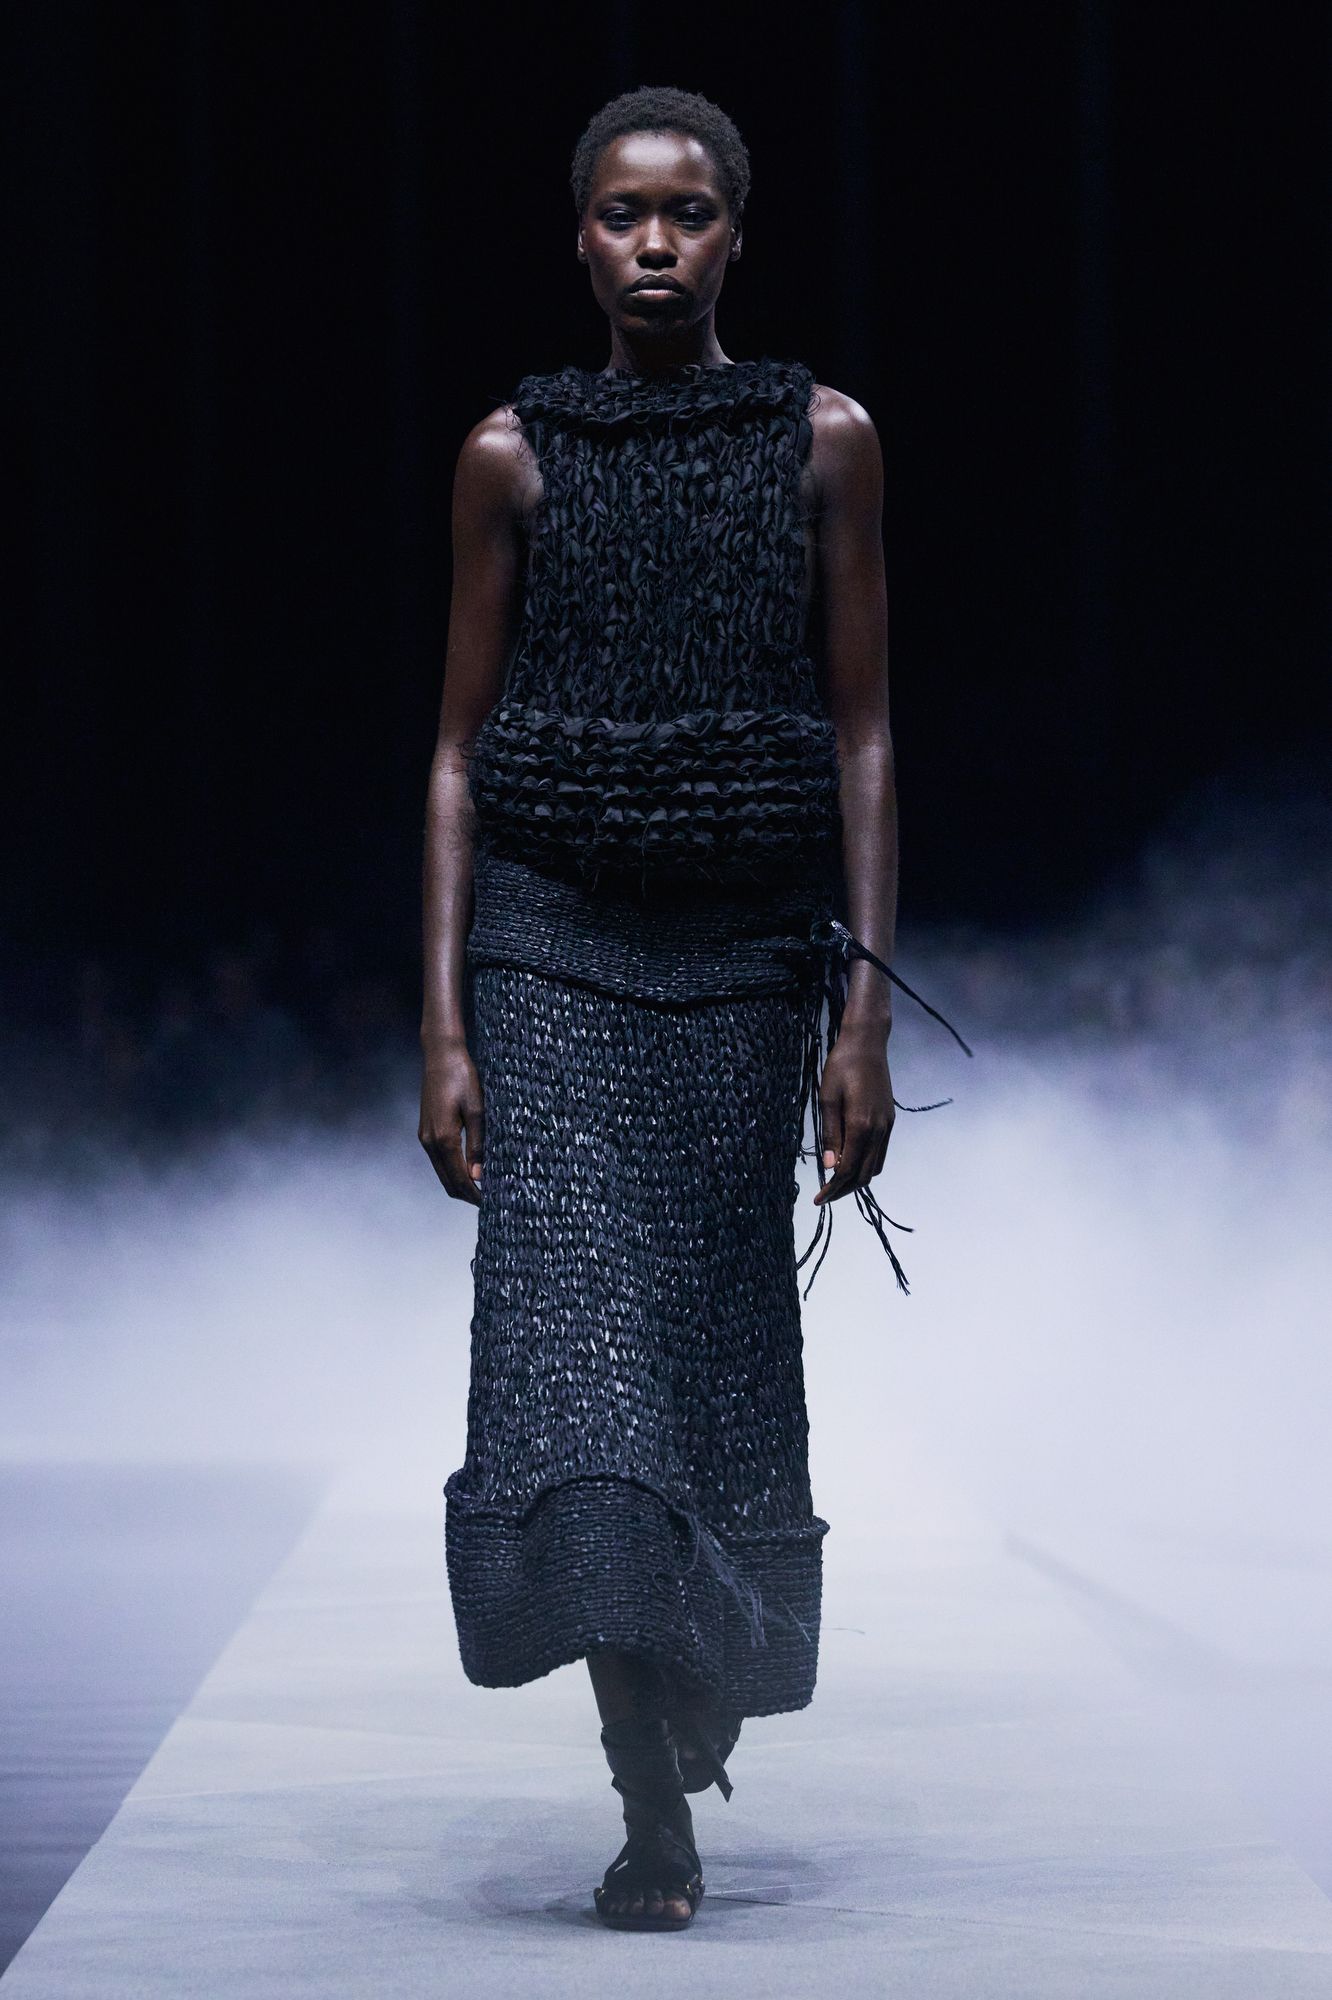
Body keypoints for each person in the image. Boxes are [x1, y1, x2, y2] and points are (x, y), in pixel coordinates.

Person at [418, 85, 966, 1932]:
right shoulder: (511, 456)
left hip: (740, 961)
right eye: (623, 214)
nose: (655, 244)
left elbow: (865, 732)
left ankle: (698, 1673)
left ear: (737, 232)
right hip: (550, 949)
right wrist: (445, 1028)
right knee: (576, 1378)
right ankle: (650, 1806)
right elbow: (456, 754)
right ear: (578, 238)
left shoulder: (825, 443)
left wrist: (862, 1020)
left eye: (689, 213)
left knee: (711, 1368)